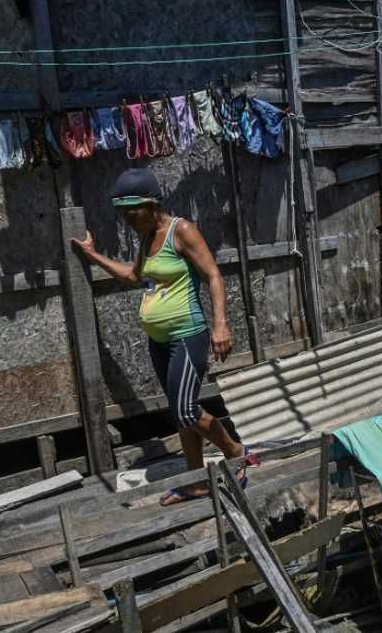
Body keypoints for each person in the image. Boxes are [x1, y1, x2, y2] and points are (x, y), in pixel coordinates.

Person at [72, 168, 254, 505]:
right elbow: (132, 276)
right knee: (181, 412)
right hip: (160, 342)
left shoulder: (181, 231)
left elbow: (213, 275)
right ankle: (196, 481)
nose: (127, 220)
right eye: (122, 214)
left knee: (185, 410)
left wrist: (221, 325)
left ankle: (236, 452)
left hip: (187, 335)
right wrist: (92, 255)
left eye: (132, 212)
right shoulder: (145, 238)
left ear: (152, 204)